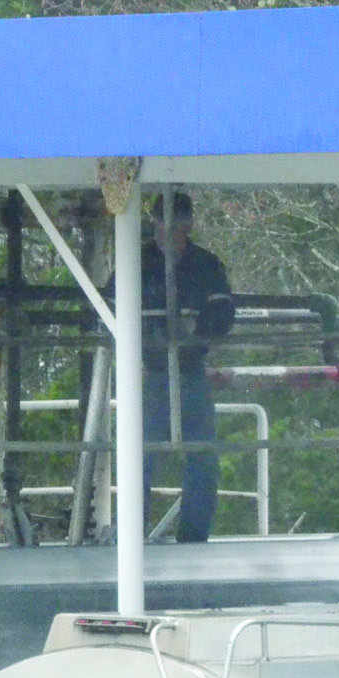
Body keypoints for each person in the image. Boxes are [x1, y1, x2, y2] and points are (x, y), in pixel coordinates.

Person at [141, 191, 234, 542]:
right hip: (150, 375)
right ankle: (131, 536)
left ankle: (193, 537)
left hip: (191, 372)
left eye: (178, 222)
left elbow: (224, 314)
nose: (170, 230)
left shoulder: (206, 266)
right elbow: (109, 308)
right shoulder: (137, 264)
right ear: (154, 223)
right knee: (140, 457)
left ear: (189, 224)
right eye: (164, 221)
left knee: (203, 458)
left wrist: (196, 328)